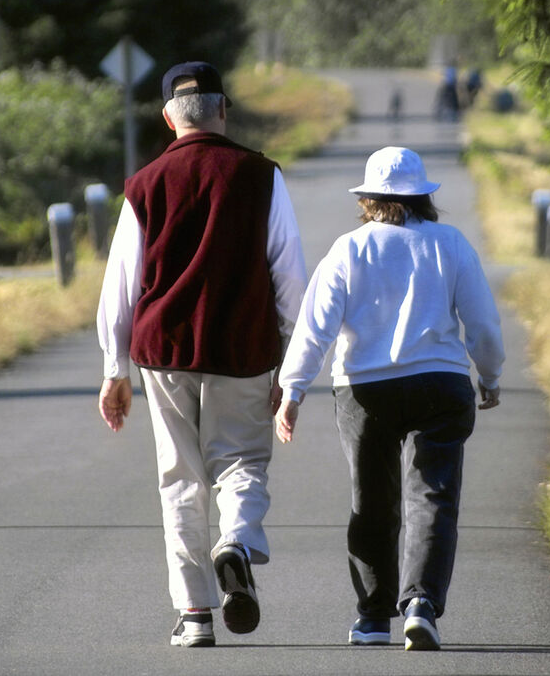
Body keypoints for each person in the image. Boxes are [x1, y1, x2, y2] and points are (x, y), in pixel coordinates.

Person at [96, 61, 307, 648]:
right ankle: (235, 541)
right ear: (223, 109)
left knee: (180, 478)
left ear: (169, 117)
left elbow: (121, 283)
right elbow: (289, 275)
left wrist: (114, 369)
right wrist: (293, 365)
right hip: (242, 347)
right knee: (241, 460)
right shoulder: (261, 175)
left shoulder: (145, 183)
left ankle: (195, 616)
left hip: (163, 352)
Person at [275, 146, 505, 651]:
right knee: (433, 497)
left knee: (372, 503)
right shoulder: (449, 243)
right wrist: (489, 374)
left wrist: (292, 390)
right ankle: (421, 605)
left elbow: (316, 327)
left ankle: (374, 618)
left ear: (368, 199)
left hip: (365, 390)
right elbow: (482, 322)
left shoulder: (349, 248)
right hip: (440, 383)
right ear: (424, 197)